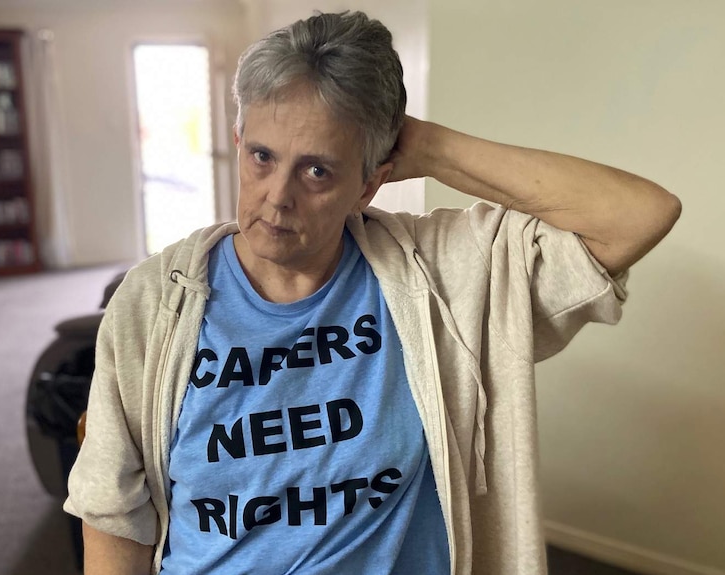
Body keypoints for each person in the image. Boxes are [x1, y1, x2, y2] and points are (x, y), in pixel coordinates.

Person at [65, 10, 681, 575]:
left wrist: (431, 147)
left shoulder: (440, 275)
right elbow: (114, 514)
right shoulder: (156, 302)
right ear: (238, 143)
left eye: (318, 169)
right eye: (261, 156)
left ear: (371, 184)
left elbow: (637, 215)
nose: (277, 197)